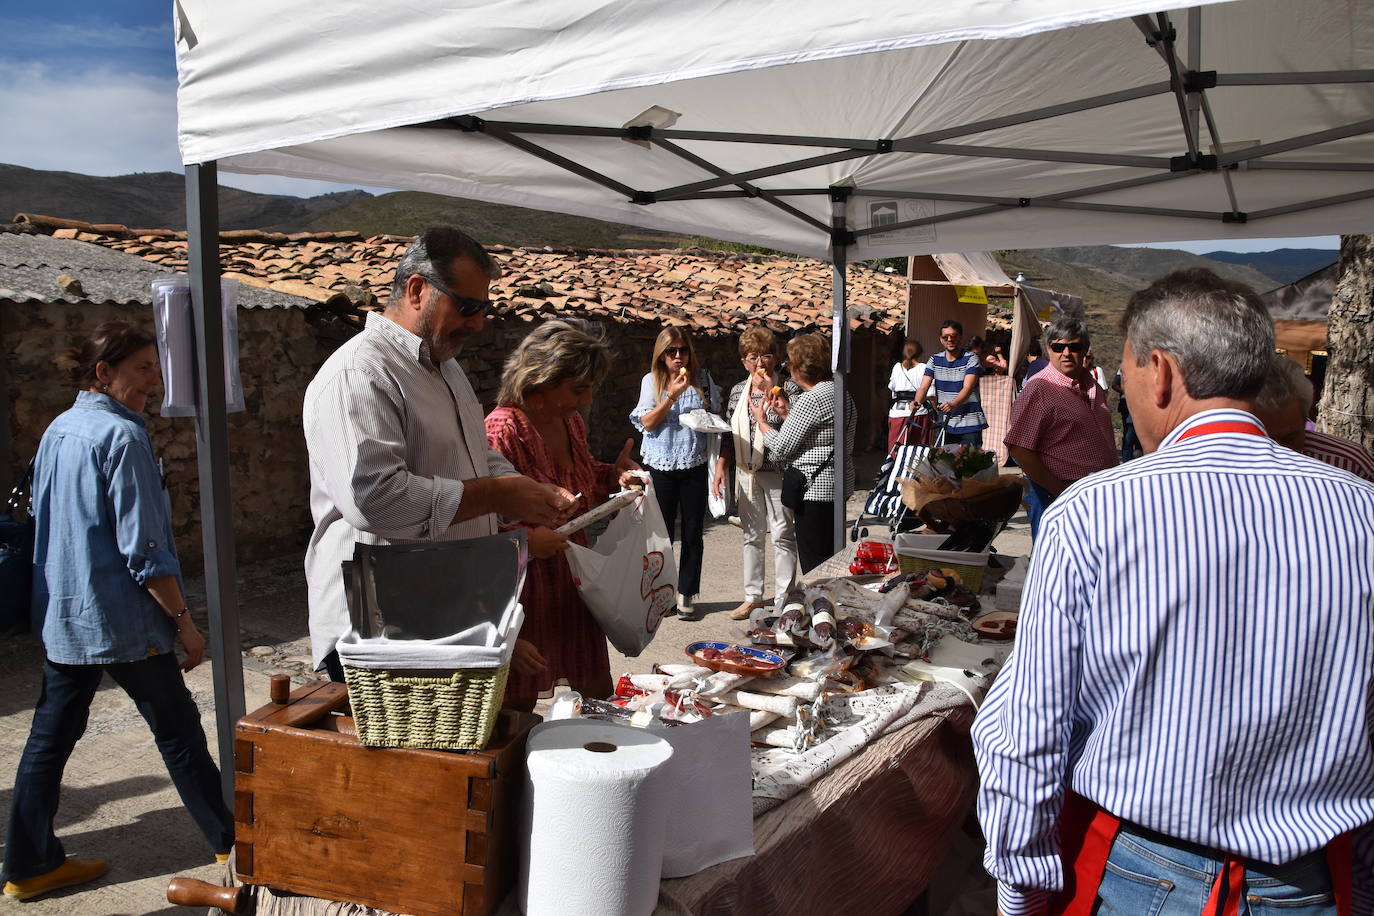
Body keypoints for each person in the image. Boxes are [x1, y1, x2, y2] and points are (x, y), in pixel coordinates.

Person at [973, 268, 1374, 916]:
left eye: (1125, 373)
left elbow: (1026, 734)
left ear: (1159, 371)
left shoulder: (1094, 514)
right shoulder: (1363, 510)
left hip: (1144, 877)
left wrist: (1020, 895)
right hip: (1311, 885)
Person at [3, 322, 233, 902]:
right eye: (142, 370)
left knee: (48, 742)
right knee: (179, 734)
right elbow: (145, 549)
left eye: (156, 368)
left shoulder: (61, 428)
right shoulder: (122, 438)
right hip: (125, 621)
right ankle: (234, 851)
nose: (153, 381)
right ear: (103, 373)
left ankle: (28, 865)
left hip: (68, 615)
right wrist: (185, 622)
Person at [303, 226, 575, 680]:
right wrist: (497, 496)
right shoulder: (360, 373)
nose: (477, 324)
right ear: (416, 290)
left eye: (483, 309)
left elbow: (473, 453)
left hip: (437, 614)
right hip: (381, 629)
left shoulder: (445, 368)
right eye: (466, 307)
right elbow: (375, 499)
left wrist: (522, 487)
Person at [484, 319, 640, 707]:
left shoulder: (569, 422)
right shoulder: (500, 432)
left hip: (573, 578)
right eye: (578, 389)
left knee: (591, 699)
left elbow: (580, 480)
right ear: (542, 382)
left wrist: (613, 474)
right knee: (517, 709)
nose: (587, 400)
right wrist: (528, 540)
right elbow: (478, 521)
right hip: (524, 590)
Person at [712, 326, 800, 620]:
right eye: (753, 357)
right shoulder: (738, 390)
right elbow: (728, 433)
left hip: (778, 470)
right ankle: (753, 597)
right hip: (746, 471)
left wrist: (777, 406)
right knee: (752, 535)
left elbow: (797, 431)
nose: (760, 363)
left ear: (775, 358)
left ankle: (784, 599)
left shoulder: (789, 387)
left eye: (765, 356)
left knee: (783, 534)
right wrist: (721, 467)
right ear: (744, 362)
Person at [630, 328, 718, 620]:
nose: (679, 356)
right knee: (662, 534)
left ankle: (687, 594)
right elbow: (647, 423)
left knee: (693, 533)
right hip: (661, 464)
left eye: (683, 350)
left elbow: (717, 419)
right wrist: (671, 396)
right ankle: (662, 593)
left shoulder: (702, 380)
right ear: (661, 354)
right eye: (672, 351)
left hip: (693, 463)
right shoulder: (651, 381)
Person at [750, 333, 857, 573]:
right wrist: (786, 412)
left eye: (788, 362)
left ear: (800, 368)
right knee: (832, 558)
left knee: (815, 566)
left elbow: (780, 448)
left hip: (814, 491)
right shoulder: (841, 393)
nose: (786, 368)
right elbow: (823, 436)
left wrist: (762, 422)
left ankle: (821, 608)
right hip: (838, 485)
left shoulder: (812, 399)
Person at [1003, 317, 1117, 539]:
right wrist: (1060, 491)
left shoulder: (1093, 386)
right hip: (1056, 496)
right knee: (1057, 566)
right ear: (1048, 349)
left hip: (1097, 496)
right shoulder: (1040, 389)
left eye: (1073, 346)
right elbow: (1019, 449)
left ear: (1085, 349)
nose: (1066, 353)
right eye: (1058, 346)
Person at [1254, 353, 1374, 482]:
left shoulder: (1352, 464)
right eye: (1262, 440)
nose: (1278, 452)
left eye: (1289, 439)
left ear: (1306, 420)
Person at [912, 320, 988, 447]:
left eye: (953, 336)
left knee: (967, 464)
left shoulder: (971, 359)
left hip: (969, 423)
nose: (949, 340)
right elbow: (924, 387)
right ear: (940, 339)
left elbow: (968, 387)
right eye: (945, 337)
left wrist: (953, 404)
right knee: (942, 465)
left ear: (960, 337)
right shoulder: (934, 360)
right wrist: (916, 402)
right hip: (945, 422)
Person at [886, 337, 930, 450]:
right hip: (918, 411)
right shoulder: (924, 368)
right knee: (917, 449)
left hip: (897, 412)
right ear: (920, 352)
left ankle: (895, 466)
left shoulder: (897, 368)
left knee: (896, 447)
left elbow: (892, 387)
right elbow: (929, 392)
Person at [1110, 367, 1143, 461]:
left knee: (1140, 438)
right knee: (1129, 437)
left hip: (1142, 408)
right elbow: (1114, 384)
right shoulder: (1123, 368)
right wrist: (1128, 392)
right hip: (1128, 409)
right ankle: (1126, 462)